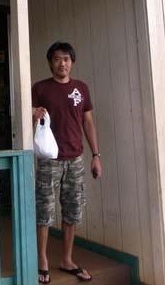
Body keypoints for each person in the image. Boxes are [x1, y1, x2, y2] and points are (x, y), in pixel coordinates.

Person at [32, 42, 102, 284]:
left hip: (76, 159)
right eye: (57, 59)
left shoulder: (81, 88)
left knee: (72, 209)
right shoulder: (40, 88)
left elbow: (88, 123)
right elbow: (27, 116)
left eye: (66, 59)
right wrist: (32, 113)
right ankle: (42, 260)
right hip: (49, 159)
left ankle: (67, 260)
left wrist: (96, 156)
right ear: (50, 62)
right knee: (44, 210)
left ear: (72, 62)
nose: (62, 63)